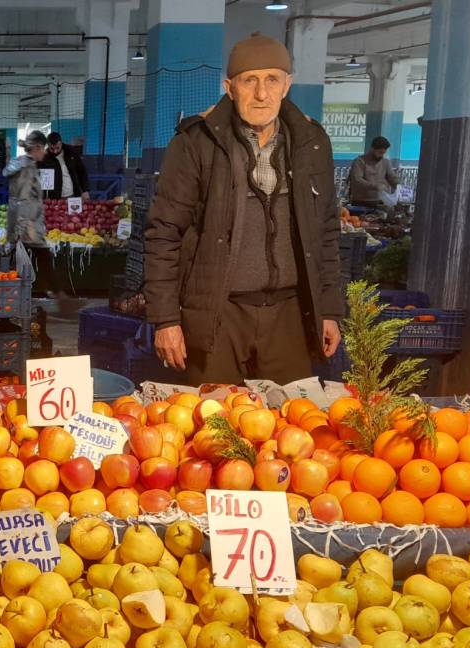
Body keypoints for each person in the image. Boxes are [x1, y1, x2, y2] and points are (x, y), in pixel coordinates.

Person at [144, 32, 343, 385]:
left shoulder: (313, 143)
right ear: (229, 87)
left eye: (272, 80)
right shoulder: (196, 142)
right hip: (218, 315)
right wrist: (165, 320)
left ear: (287, 85)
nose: (261, 93)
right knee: (212, 426)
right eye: (249, 80)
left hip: (290, 316)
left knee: (288, 429)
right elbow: (163, 234)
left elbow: (325, 232)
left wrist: (328, 309)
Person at [3, 130, 56, 298]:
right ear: (38, 147)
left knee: (27, 256)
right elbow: (24, 200)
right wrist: (26, 228)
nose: (46, 152)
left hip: (22, 221)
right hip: (27, 223)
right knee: (42, 256)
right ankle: (37, 291)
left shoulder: (23, 163)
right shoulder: (26, 167)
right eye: (44, 148)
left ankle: (26, 291)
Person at [348, 136, 398, 208]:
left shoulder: (385, 162)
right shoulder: (359, 161)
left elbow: (392, 177)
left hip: (381, 202)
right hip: (362, 202)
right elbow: (357, 180)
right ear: (372, 149)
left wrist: (398, 185)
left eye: (383, 153)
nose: (381, 155)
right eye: (380, 152)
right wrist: (375, 186)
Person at [38, 131, 90, 200]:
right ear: (48, 145)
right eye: (52, 149)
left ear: (61, 143)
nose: (55, 151)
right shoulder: (44, 158)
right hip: (54, 197)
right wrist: (43, 197)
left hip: (73, 194)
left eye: (57, 148)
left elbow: (81, 171)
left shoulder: (71, 152)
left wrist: (85, 190)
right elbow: (42, 180)